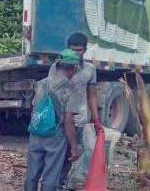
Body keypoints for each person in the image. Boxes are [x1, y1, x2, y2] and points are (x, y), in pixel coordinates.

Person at [48, 33, 102, 186]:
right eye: (73, 50)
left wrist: (96, 119)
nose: (76, 53)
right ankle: (53, 183)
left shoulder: (90, 70)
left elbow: (92, 95)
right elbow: (50, 92)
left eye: (79, 50)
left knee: (74, 154)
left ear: (85, 50)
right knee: (57, 154)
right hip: (59, 120)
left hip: (79, 120)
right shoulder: (56, 67)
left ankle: (64, 183)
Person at [24, 49, 82, 191]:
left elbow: (34, 107)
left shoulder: (42, 83)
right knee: (51, 174)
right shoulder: (71, 90)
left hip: (36, 132)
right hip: (55, 136)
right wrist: (74, 147)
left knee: (32, 172)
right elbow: (69, 121)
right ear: (74, 68)